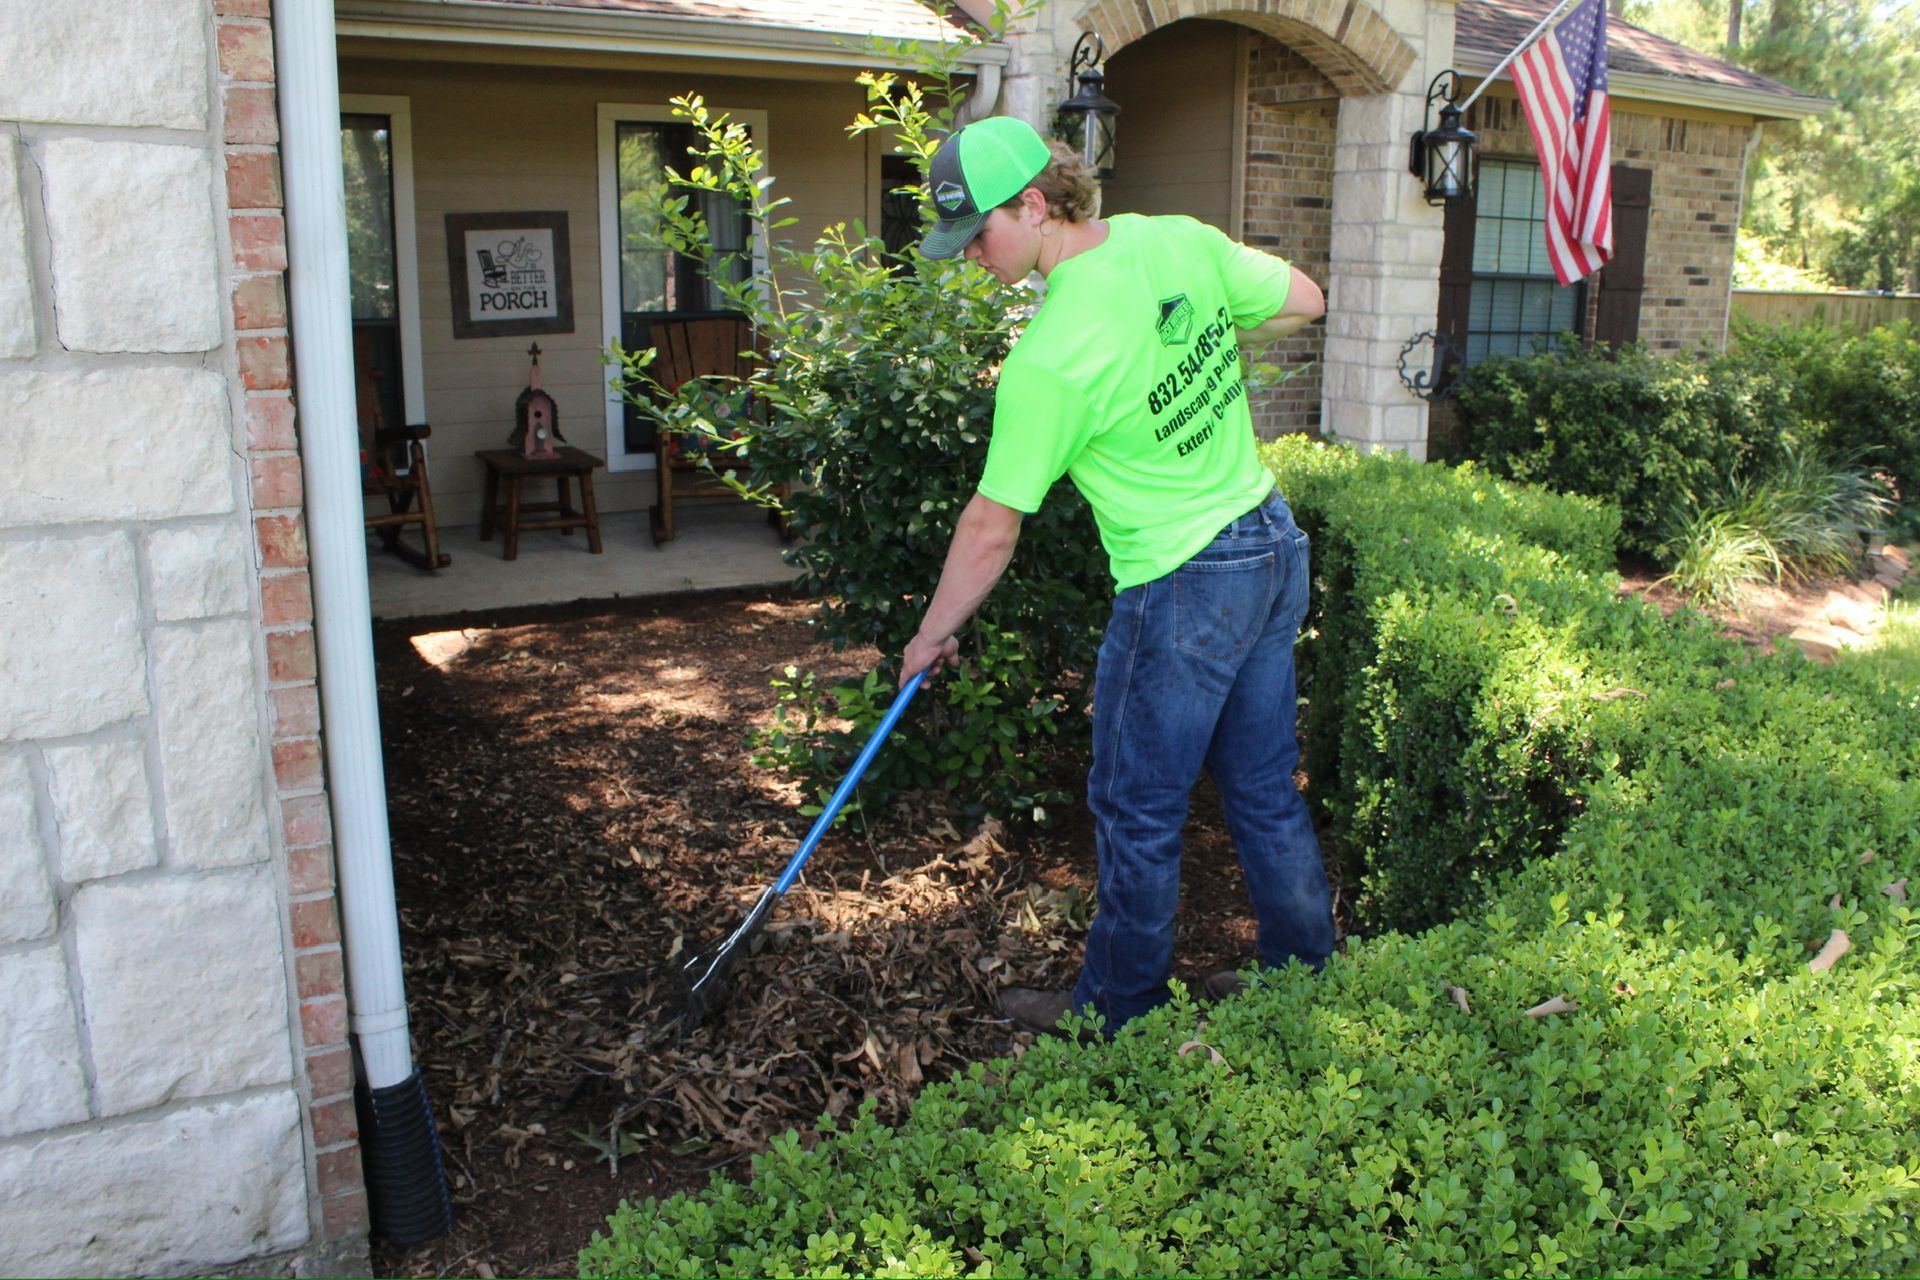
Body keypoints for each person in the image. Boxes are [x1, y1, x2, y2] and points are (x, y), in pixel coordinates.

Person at [898, 116, 1336, 1037]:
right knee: (1259, 785)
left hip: (1186, 580)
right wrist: (1199, 350)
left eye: (980, 233)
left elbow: (991, 526)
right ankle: (1306, 978)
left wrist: (931, 635)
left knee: (1136, 807)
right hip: (1268, 542)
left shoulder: (1051, 358)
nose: (974, 255)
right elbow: (1304, 297)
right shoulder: (1175, 239)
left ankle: (1116, 1017)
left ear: (1034, 204)